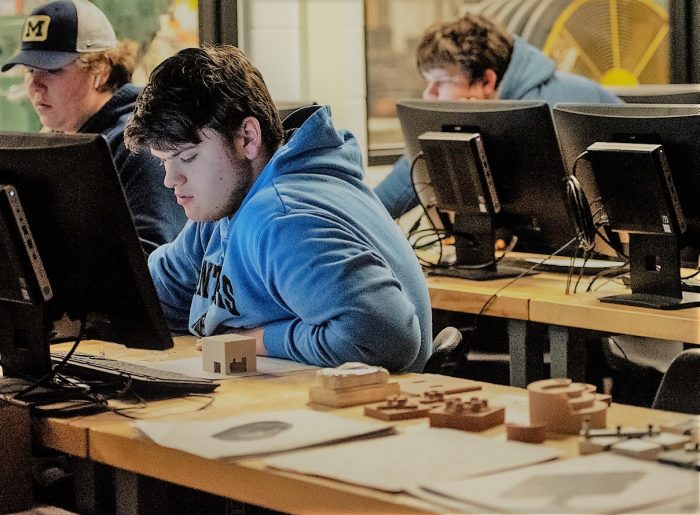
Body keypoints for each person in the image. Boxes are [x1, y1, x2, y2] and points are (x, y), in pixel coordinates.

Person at [124, 45, 432, 373]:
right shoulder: (223, 206)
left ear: (247, 138)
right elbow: (159, 293)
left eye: (187, 157)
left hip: (347, 413)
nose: (171, 179)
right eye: (163, 162)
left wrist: (259, 340)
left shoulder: (281, 219)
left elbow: (388, 338)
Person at [375, 11, 622, 219]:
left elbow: (551, 210)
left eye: (442, 81)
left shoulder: (545, 106)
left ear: (486, 81)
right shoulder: (499, 104)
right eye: (428, 83)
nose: (429, 94)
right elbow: (404, 182)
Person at [1, 0, 186, 253]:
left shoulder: (137, 143)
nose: (35, 85)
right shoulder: (62, 137)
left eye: (52, 70)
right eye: (29, 70)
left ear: (99, 69)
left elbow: (149, 266)